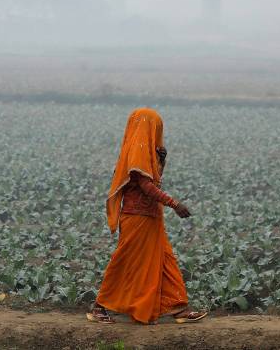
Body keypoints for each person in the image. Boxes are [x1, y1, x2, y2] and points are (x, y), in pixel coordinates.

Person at [87, 108, 207, 325]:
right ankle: (99, 307)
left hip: (151, 217)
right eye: (156, 129)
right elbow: (146, 185)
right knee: (125, 262)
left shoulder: (147, 153)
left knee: (165, 260)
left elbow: (155, 178)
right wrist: (174, 204)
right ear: (148, 128)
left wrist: (162, 161)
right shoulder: (136, 152)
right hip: (136, 217)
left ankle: (179, 308)